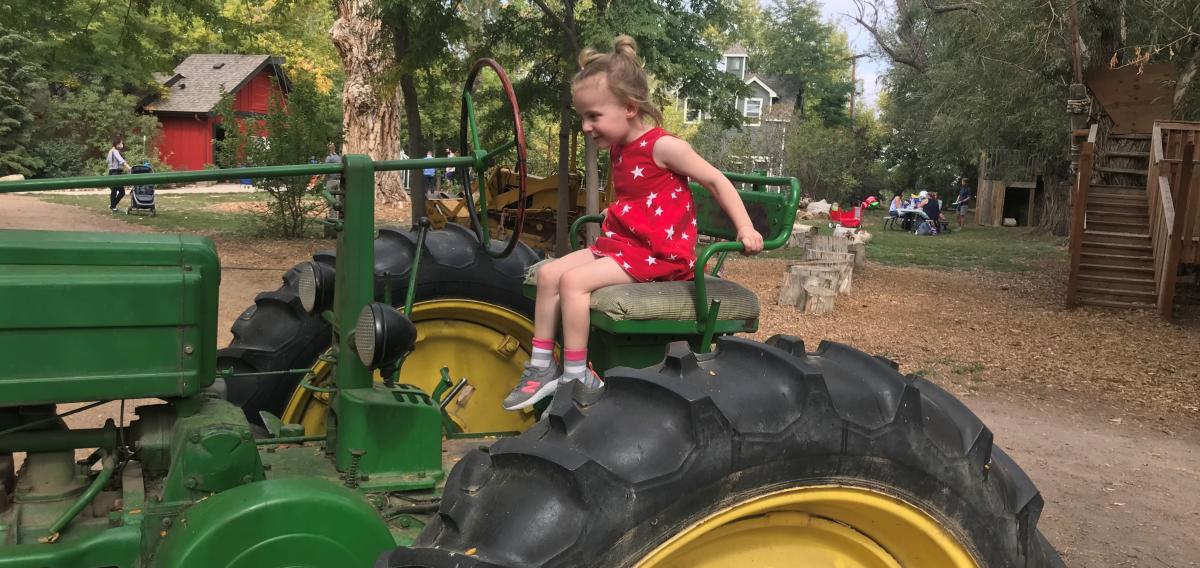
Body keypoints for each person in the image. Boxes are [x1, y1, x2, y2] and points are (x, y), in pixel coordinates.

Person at [502, 35, 764, 411]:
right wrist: (618, 213)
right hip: (627, 244)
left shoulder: (663, 146)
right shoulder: (621, 147)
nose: (587, 126)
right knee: (548, 275)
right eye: (583, 116)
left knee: (573, 283)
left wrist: (745, 227)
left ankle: (578, 374)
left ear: (628, 107)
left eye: (594, 116)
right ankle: (541, 366)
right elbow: (645, 196)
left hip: (659, 254)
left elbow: (715, 180)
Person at [107, 139, 130, 212]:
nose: (122, 145)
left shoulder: (110, 151)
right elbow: (121, 161)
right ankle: (113, 206)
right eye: (121, 143)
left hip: (112, 172)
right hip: (115, 173)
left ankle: (112, 206)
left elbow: (107, 161)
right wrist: (129, 168)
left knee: (114, 191)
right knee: (121, 191)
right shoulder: (115, 151)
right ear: (117, 145)